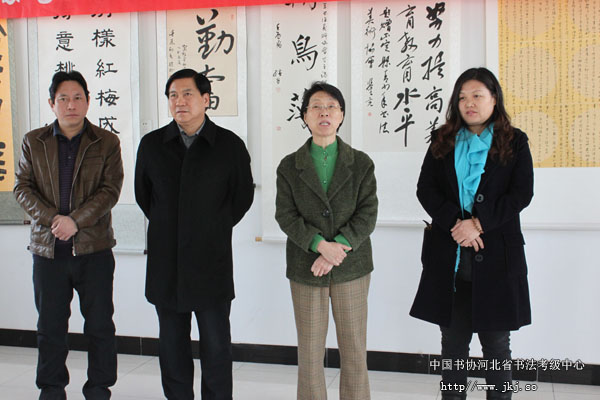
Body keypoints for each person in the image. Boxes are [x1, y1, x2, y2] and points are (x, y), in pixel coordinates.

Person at [409, 67, 534, 400]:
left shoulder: (515, 141)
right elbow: (425, 189)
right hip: (450, 257)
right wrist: (457, 223)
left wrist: (479, 223)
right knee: (453, 346)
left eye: (477, 95)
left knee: (497, 346)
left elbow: (521, 193)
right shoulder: (443, 139)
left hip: (497, 257)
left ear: (494, 98)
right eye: (462, 97)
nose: (469, 103)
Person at [134, 68, 254, 400]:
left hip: (210, 261)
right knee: (172, 346)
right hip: (166, 262)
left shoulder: (229, 145)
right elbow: (145, 196)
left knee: (216, 346)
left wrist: (211, 226)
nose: (179, 101)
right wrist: (172, 225)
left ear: (205, 99)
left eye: (187, 94)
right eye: (173, 95)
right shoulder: (152, 145)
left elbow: (242, 197)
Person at [14, 70, 124, 400]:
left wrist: (75, 221)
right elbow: (22, 188)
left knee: (100, 326)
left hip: (94, 250)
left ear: (88, 101)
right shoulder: (34, 141)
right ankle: (51, 390)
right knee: (50, 327)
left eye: (77, 98)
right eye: (63, 98)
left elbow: (110, 190)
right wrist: (54, 220)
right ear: (52, 103)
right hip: (48, 252)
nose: (71, 105)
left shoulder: (106, 142)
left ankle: (99, 389)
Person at [275, 82, 378, 400]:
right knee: (309, 353)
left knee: (354, 350)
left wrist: (338, 247)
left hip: (352, 268)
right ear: (305, 115)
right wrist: (320, 245)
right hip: (306, 268)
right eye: (316, 106)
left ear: (342, 115)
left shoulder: (361, 163)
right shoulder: (289, 165)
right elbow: (285, 215)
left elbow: (368, 213)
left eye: (332, 106)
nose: (324, 112)